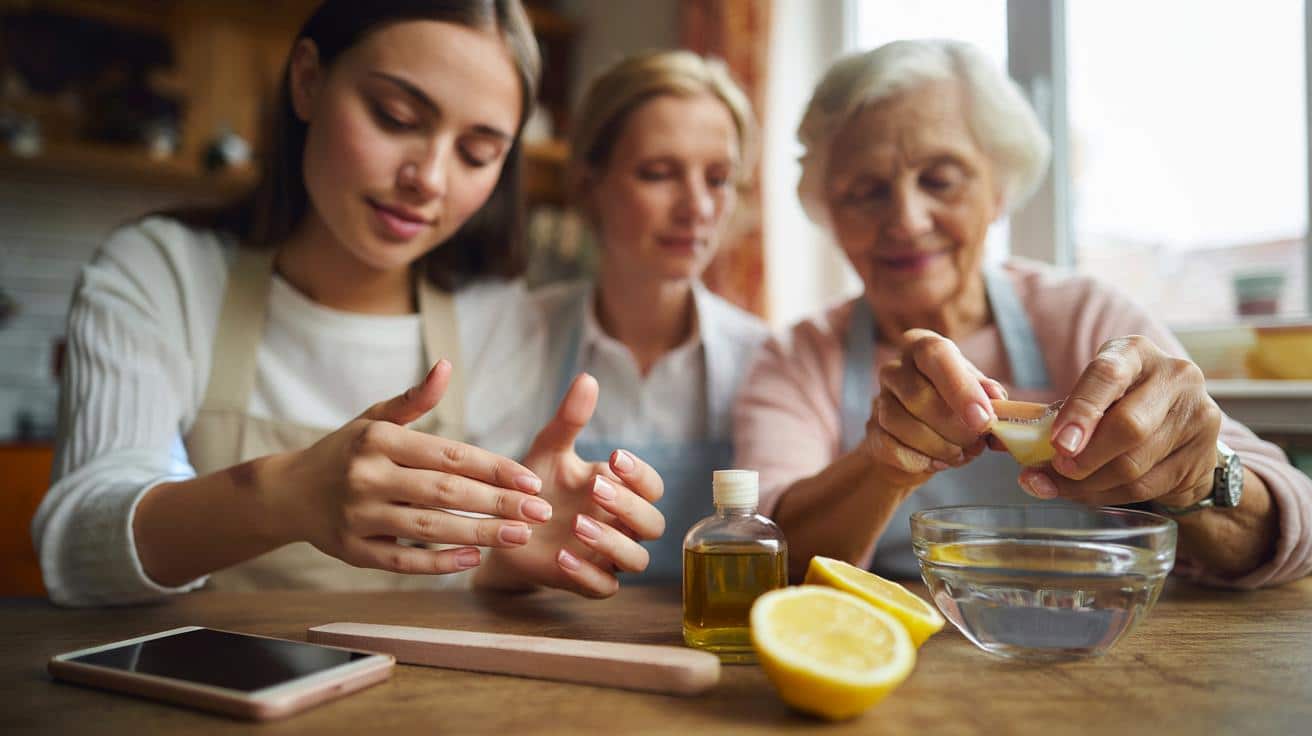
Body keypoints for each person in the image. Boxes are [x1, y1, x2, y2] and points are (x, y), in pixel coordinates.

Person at [33, 0, 662, 606]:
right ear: (307, 81)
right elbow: (79, 557)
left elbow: (455, 576)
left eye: (477, 152)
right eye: (395, 116)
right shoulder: (162, 272)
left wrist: (516, 551)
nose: (430, 178)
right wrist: (281, 496)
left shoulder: (497, 318)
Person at [734, 39, 1312, 588]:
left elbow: (1296, 533)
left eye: (940, 179)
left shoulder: (1086, 317)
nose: (906, 220)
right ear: (829, 212)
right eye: (865, 191)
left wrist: (1196, 478)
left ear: (999, 191)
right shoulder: (796, 358)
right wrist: (883, 464)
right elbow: (758, 554)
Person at [475, 51, 768, 588]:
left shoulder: (764, 360)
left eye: (719, 178)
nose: (697, 207)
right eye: (659, 173)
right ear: (589, 183)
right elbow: (463, 546)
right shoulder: (512, 333)